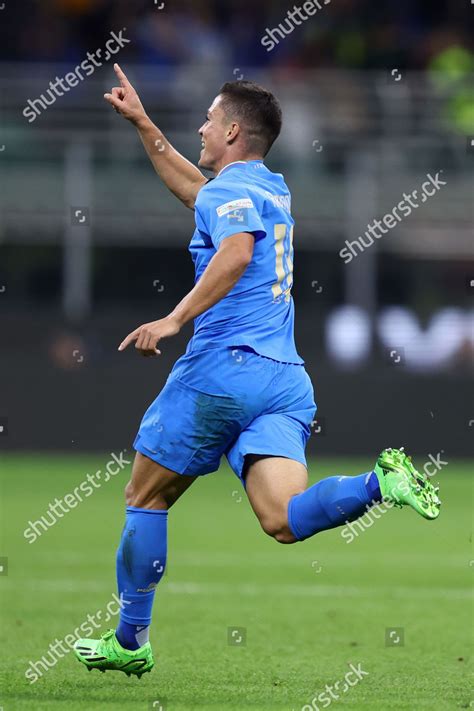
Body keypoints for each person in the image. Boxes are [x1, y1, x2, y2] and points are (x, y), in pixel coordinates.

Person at [74, 63, 441, 678]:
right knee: (283, 519)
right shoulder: (273, 188)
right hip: (284, 380)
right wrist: (143, 124)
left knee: (145, 497)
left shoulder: (229, 195)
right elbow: (195, 191)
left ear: (234, 130)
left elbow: (235, 249)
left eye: (211, 119)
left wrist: (173, 319)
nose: (201, 127)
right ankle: (381, 483)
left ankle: (131, 642)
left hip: (221, 369)